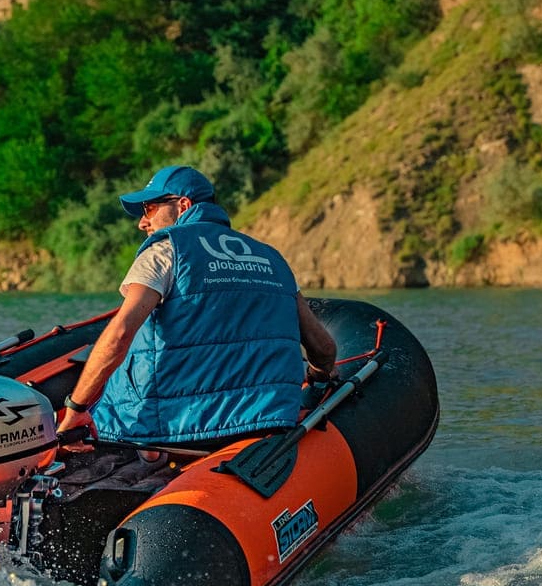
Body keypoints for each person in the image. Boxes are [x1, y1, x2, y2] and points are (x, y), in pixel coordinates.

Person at [56, 165, 337, 452]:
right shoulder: (272, 259)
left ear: (183, 205)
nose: (142, 222)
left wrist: (76, 408)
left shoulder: (165, 251)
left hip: (170, 429)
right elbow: (324, 348)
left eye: (149, 208)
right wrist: (317, 383)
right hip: (267, 420)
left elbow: (120, 335)